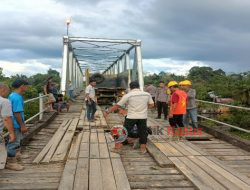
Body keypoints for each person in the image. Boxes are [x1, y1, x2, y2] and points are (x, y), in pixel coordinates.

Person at [104, 81, 154, 154]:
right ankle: (143, 149)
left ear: (130, 88)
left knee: (124, 132)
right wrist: (144, 108)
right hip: (143, 117)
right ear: (139, 87)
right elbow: (152, 105)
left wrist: (108, 112)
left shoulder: (128, 95)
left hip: (131, 117)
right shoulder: (147, 94)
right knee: (143, 132)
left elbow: (117, 106)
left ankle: (118, 148)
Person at [0, 83, 24, 171]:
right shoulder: (4, 101)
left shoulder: (10, 98)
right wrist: (11, 133)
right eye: (7, 91)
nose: (7, 94)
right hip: (6, 128)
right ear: (3, 90)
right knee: (12, 144)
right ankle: (11, 163)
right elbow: (6, 118)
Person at [8, 79, 29, 170]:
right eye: (26, 86)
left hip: (13, 122)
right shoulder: (17, 97)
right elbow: (17, 113)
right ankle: (10, 162)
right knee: (14, 142)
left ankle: (16, 156)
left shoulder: (12, 95)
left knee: (17, 140)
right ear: (22, 86)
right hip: (16, 124)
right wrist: (22, 125)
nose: (27, 87)